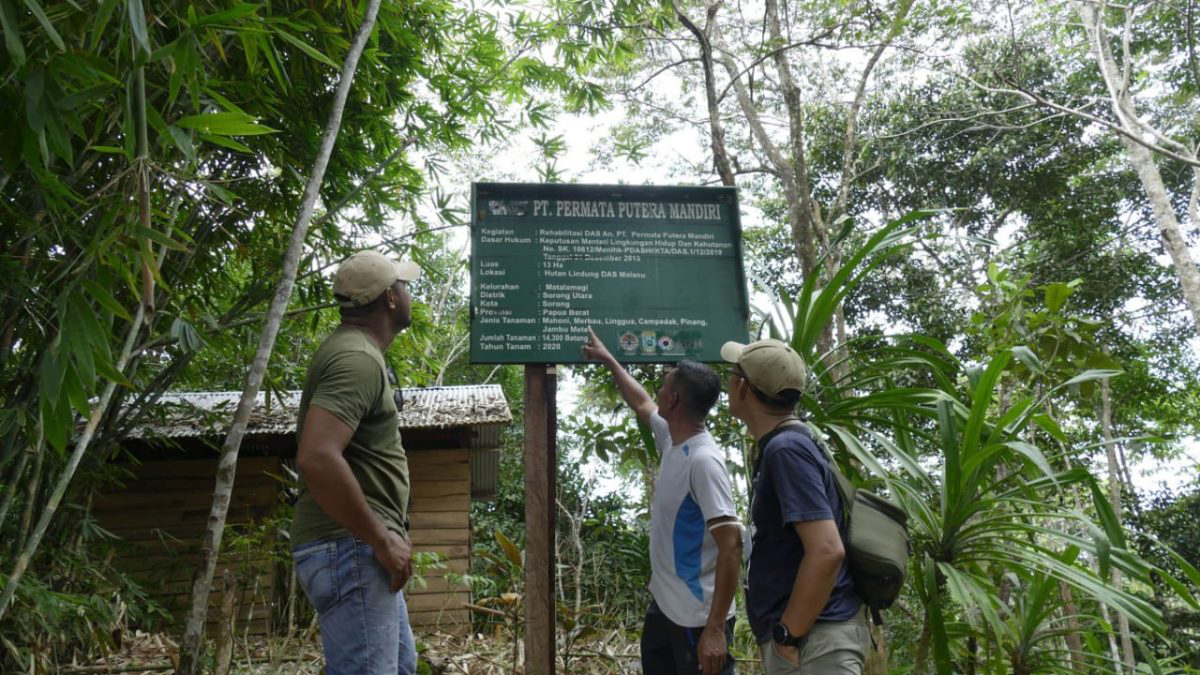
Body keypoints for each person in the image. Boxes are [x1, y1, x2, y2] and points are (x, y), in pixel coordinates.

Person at [290, 250, 422, 674]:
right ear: (388, 298)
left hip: (353, 547)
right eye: (403, 285)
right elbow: (316, 457)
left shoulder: (358, 352)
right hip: (350, 548)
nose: (408, 292)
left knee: (401, 666)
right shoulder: (357, 360)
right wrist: (381, 539)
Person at [582, 327, 741, 675]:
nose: (659, 390)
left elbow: (731, 546)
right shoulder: (673, 437)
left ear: (674, 401)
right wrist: (610, 360)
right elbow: (640, 401)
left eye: (665, 385)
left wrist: (714, 630)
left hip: (697, 619)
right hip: (666, 606)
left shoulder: (703, 461)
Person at [721, 338, 868, 673]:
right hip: (812, 640)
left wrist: (788, 634)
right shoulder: (786, 444)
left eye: (732, 374)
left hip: (815, 643)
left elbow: (827, 550)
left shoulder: (786, 450)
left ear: (742, 387)